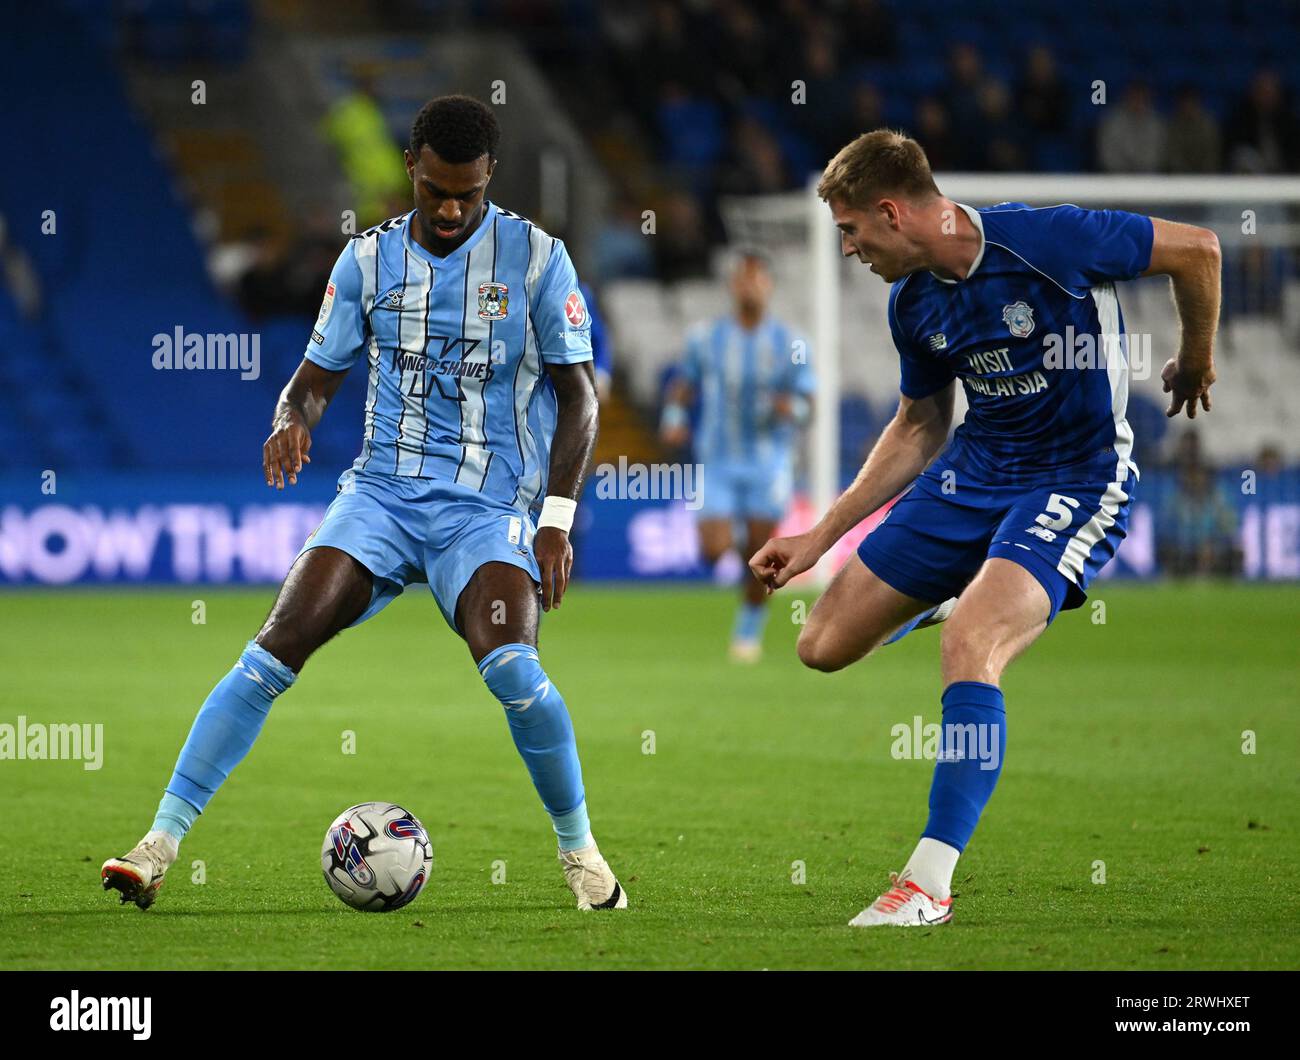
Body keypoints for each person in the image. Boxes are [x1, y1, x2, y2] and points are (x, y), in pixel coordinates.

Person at [102, 95, 628, 913]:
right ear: (410, 168)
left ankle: (581, 851)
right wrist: (290, 420)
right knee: (272, 649)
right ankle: (158, 845)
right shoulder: (365, 263)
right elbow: (314, 381)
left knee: (517, 674)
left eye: (470, 194)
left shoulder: (535, 259)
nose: (452, 210)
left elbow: (581, 398)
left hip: (485, 509)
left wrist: (555, 522)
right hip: (379, 498)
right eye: (437, 192)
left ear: (489, 178)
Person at [750, 130, 1219, 926]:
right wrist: (819, 537)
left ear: (891, 211)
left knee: (970, 642)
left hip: (1075, 478)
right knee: (821, 645)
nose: (848, 249)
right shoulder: (914, 303)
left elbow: (1200, 249)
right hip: (972, 477)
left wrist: (1197, 356)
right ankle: (961, 590)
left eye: (851, 231)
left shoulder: (1046, 241)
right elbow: (918, 425)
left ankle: (927, 884)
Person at [661, 250, 814, 662]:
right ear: (732, 286)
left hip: (768, 462)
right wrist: (674, 415)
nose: (750, 286)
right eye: (743, 279)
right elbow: (683, 383)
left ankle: (748, 632)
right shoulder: (706, 337)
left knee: (763, 555)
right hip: (718, 460)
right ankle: (741, 559)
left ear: (769, 286)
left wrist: (792, 409)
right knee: (713, 548)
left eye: (757, 279)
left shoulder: (792, 343)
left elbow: (808, 402)